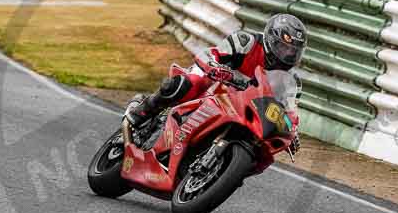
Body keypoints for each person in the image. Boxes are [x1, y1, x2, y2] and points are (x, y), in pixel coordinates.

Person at [124, 13, 307, 152]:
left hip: (242, 109)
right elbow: (212, 54)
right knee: (190, 82)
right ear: (270, 39)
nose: (287, 55)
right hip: (214, 87)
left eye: (293, 51)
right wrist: (216, 68)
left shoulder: (291, 82)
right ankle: (143, 110)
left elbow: (289, 113)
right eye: (283, 47)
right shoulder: (247, 41)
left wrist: (291, 132)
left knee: (262, 144)